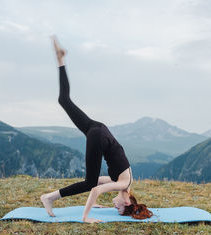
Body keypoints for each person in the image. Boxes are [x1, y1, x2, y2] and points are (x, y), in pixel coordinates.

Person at [40, 35, 153, 223]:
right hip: (99, 137)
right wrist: (86, 216)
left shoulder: (123, 184)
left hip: (99, 130)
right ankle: (48, 198)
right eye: (118, 209)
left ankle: (60, 60)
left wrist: (94, 203)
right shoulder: (123, 183)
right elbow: (94, 188)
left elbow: (98, 185)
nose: (114, 207)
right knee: (90, 182)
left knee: (64, 100)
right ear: (127, 203)